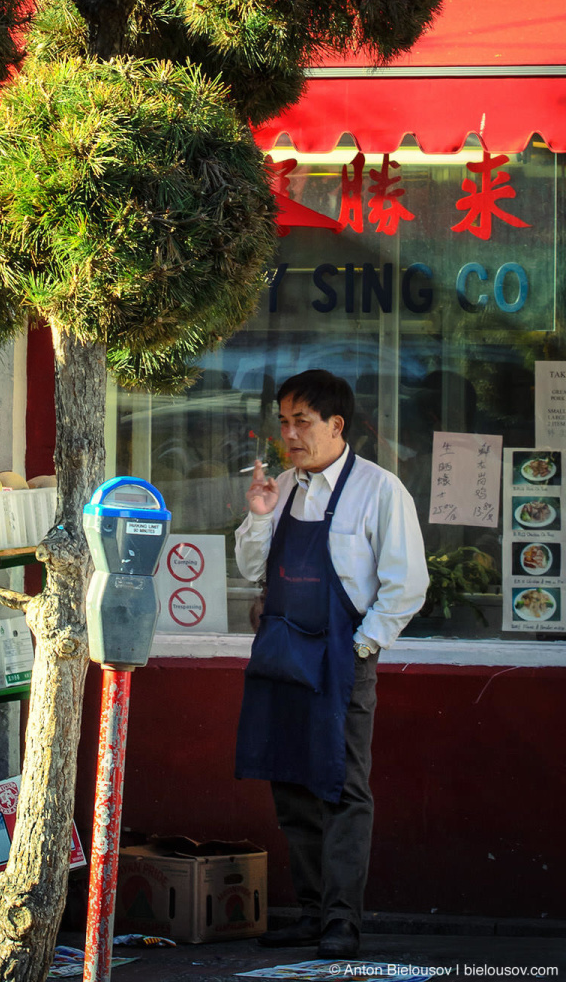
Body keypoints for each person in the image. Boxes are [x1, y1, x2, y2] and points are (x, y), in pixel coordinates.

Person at [234, 370, 428, 961]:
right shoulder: (282, 488)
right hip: (282, 659)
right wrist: (261, 514)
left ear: (335, 425)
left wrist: (363, 646)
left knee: (341, 790)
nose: (289, 434)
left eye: (302, 422)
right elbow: (249, 569)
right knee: (291, 785)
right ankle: (312, 912)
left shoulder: (380, 490)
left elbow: (407, 585)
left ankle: (343, 921)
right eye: (283, 422)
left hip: (341, 663)